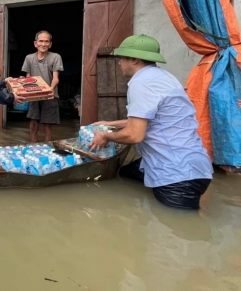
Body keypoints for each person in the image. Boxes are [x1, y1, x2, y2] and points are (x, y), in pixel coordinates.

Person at [89, 34, 213, 210]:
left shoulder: (141, 83)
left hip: (178, 177)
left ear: (134, 59)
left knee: (180, 230)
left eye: (122, 58)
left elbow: (135, 135)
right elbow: (150, 118)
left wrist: (106, 137)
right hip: (194, 163)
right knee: (124, 174)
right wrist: (110, 122)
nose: (119, 63)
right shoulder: (164, 77)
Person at [21, 30, 64, 142]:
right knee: (33, 123)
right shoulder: (29, 58)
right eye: (41, 41)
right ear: (35, 43)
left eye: (46, 41)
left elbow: (56, 78)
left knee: (47, 125)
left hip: (50, 95)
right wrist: (21, 82)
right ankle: (33, 145)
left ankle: (47, 147)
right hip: (34, 96)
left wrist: (50, 90)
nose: (43, 44)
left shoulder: (55, 57)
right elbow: (28, 77)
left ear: (50, 44)